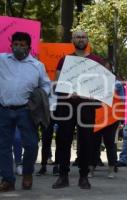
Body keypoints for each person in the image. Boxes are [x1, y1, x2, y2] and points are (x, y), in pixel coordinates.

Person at [52, 30, 106, 190]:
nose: (81, 39)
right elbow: (57, 84)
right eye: (78, 37)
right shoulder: (64, 60)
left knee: (87, 142)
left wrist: (90, 95)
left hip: (87, 107)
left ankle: (84, 176)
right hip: (66, 107)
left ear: (87, 40)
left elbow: (102, 85)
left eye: (83, 37)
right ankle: (63, 176)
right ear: (72, 40)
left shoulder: (97, 61)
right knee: (63, 141)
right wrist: (68, 92)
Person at [0, 32, 51, 192]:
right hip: (3, 109)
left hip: (26, 111)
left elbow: (46, 86)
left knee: (31, 145)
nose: (18, 47)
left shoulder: (37, 66)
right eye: (16, 44)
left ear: (29, 47)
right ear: (11, 45)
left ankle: (27, 173)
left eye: (22, 45)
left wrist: (39, 97)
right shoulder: (2, 60)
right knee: (3, 146)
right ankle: (8, 180)